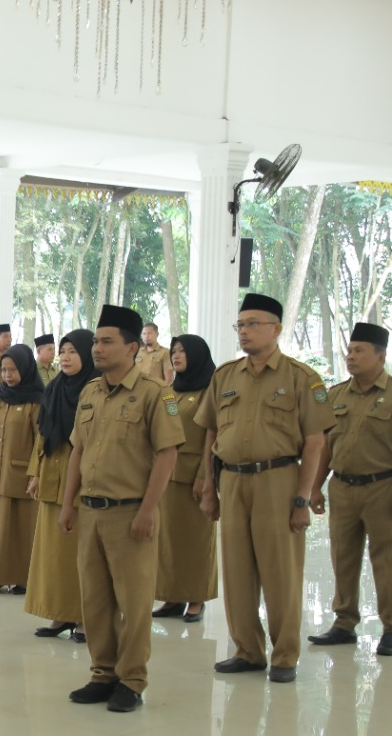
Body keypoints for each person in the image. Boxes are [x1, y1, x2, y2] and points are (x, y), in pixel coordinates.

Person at [198, 293, 334, 683]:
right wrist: (208, 487)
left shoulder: (301, 378)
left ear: (276, 329)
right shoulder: (225, 376)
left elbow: (315, 442)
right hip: (232, 480)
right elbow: (210, 434)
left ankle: (285, 655)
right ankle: (248, 651)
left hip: (278, 480)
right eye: (240, 325)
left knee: (280, 572)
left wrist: (302, 498)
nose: (244, 331)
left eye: (253, 324)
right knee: (237, 570)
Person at [57, 306, 183, 712]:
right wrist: (68, 504)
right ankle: (103, 673)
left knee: (134, 602)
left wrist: (148, 511)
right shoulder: (90, 393)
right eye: (96, 341)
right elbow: (78, 451)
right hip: (91, 512)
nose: (97, 348)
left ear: (132, 348)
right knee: (94, 600)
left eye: (107, 341)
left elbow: (167, 454)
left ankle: (131, 680)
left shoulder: (154, 394)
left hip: (130, 513)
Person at [308, 323, 392, 658]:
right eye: (349, 350)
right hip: (343, 488)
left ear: (381, 356)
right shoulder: (336, 395)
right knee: (342, 558)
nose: (351, 356)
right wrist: (315, 487)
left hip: (383, 488)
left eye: (359, 351)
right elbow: (325, 446)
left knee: (388, 562)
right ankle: (344, 623)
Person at [24, 330, 95, 639]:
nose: (65, 358)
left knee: (79, 554)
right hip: (52, 476)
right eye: (62, 352)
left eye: (72, 352)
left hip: (81, 481)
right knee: (52, 554)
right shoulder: (54, 389)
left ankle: (84, 617)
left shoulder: (95, 389)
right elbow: (43, 434)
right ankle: (60, 613)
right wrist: (35, 473)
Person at [153, 335, 218, 622]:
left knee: (195, 540)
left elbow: (211, 438)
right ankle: (173, 596)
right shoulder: (171, 390)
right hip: (167, 475)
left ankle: (196, 598)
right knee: (169, 540)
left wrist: (205, 476)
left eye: (182, 351)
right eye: (174, 351)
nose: (176, 356)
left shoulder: (209, 391)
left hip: (193, 475)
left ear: (197, 355)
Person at [0, 344, 42, 593]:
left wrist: (36, 474)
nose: (8, 375)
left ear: (25, 369)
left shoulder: (36, 401)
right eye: (3, 370)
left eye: (13, 370)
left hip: (20, 478)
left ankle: (22, 579)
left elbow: (40, 442)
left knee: (21, 530)